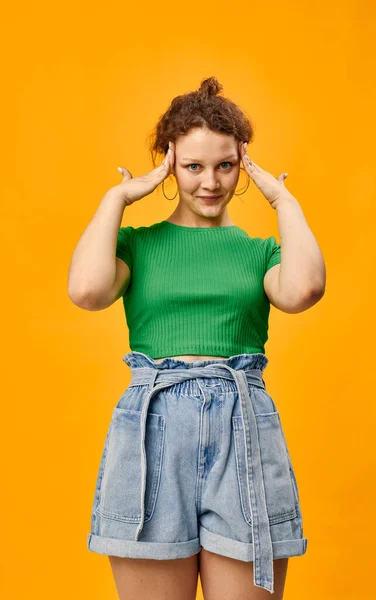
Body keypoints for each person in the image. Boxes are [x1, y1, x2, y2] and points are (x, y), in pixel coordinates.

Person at [68, 76, 325, 599]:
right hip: (152, 429)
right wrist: (118, 196)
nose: (210, 181)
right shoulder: (137, 246)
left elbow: (304, 289)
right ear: (169, 164)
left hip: (244, 426)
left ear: (242, 163)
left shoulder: (259, 253)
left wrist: (285, 202)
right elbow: (87, 291)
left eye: (225, 165)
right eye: (193, 166)